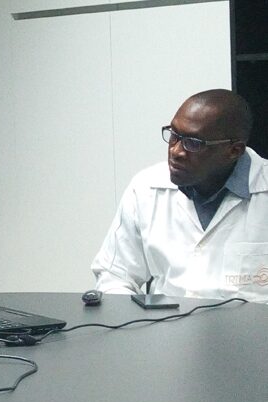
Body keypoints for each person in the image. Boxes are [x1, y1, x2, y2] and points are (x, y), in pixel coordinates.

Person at [92, 89, 268, 303]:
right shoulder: (146, 188)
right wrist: (135, 318)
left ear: (234, 150)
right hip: (165, 323)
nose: (175, 151)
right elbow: (115, 275)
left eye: (193, 143)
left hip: (251, 325)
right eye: (174, 135)